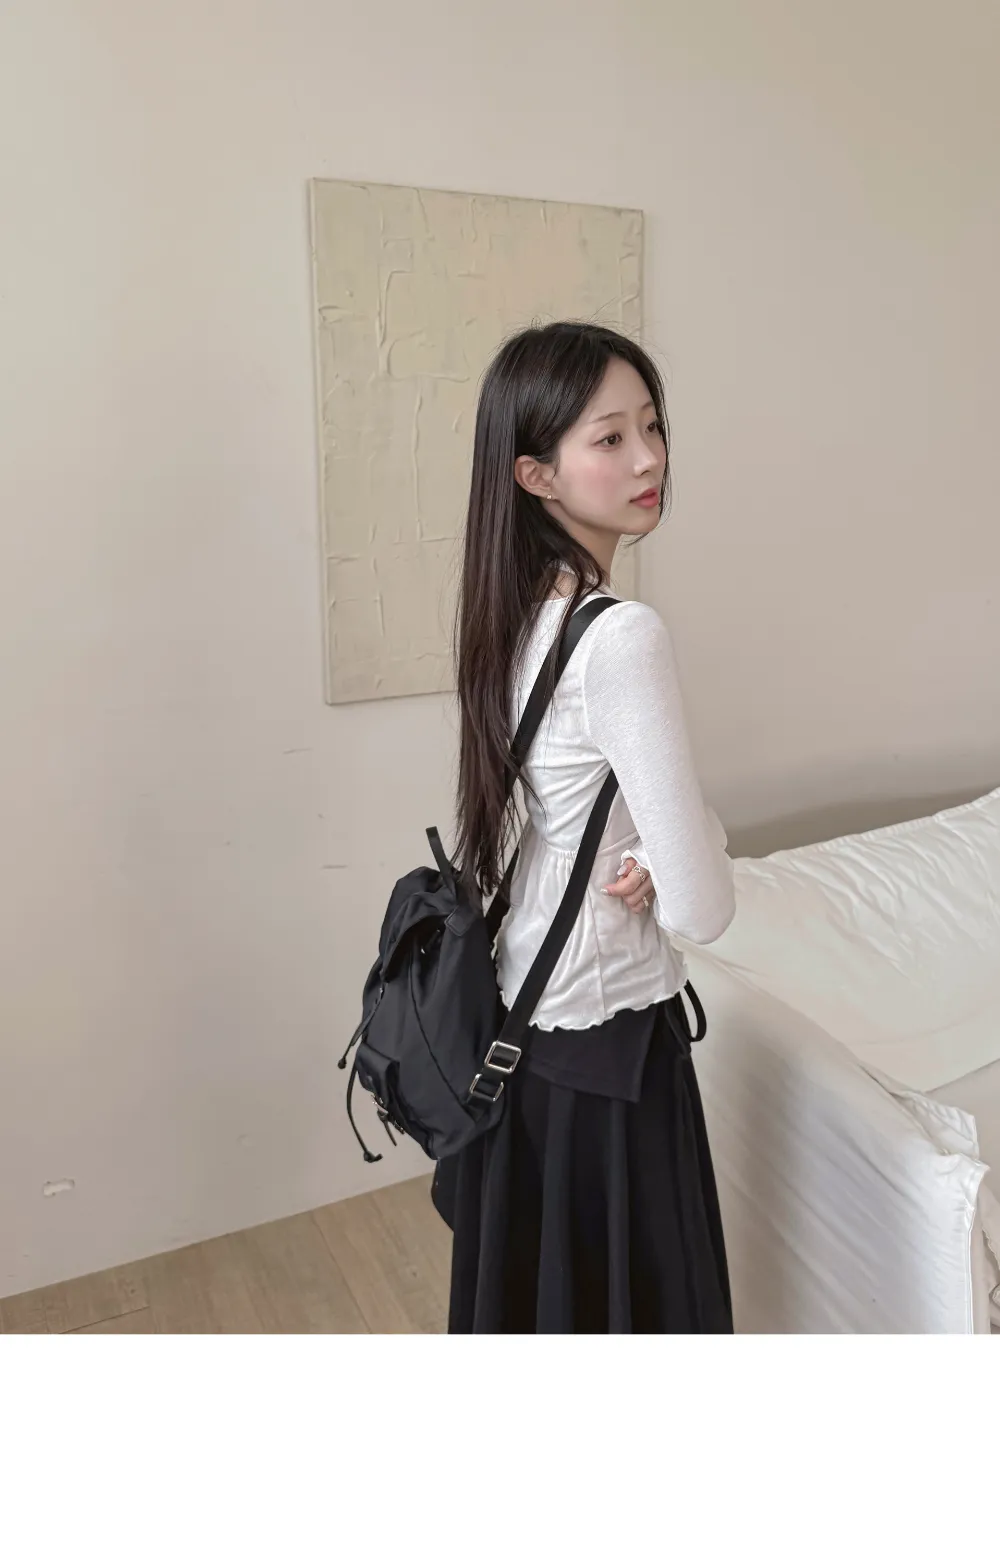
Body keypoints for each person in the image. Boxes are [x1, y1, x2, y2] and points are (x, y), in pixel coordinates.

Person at [431, 320, 737, 1333]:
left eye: (651, 425)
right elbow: (704, 908)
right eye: (609, 438)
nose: (649, 459)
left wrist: (653, 845)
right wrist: (695, 841)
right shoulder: (620, 636)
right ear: (535, 474)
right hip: (610, 1044)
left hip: (525, 1019)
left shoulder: (514, 614)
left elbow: (560, 815)